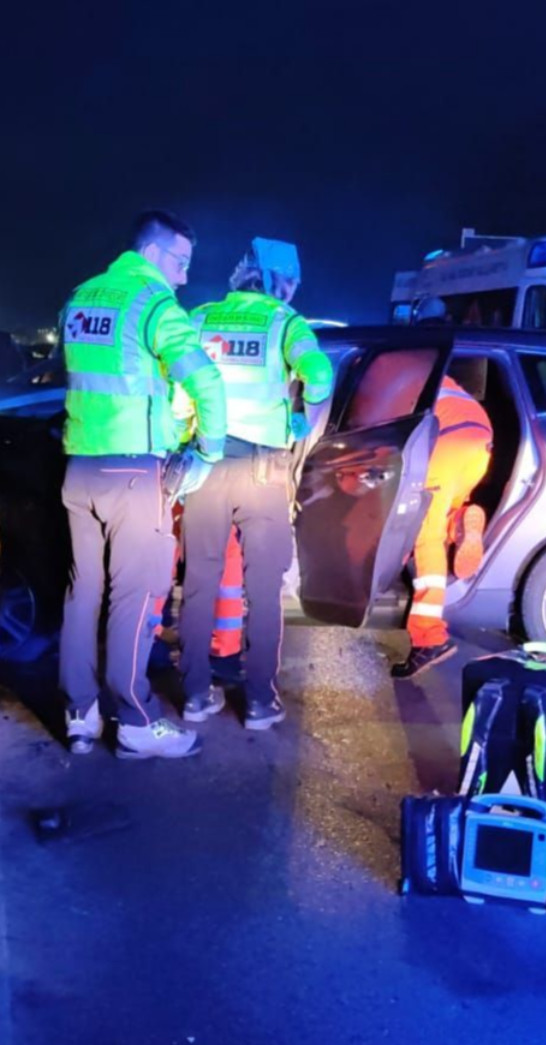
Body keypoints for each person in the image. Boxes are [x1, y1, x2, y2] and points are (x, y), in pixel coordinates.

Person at [57, 210, 226, 759]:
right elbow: (204, 379)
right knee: (136, 595)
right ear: (153, 254)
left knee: (82, 594)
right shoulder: (153, 304)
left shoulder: (81, 296)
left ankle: (79, 714)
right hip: (133, 473)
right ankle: (134, 720)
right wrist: (207, 450)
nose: (182, 277)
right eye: (180, 262)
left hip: (80, 469)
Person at [177, 239, 334, 730]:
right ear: (277, 281)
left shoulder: (199, 317)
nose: (291, 291)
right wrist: (301, 418)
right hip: (262, 470)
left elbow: (177, 389)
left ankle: (195, 697)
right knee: (264, 592)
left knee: (200, 584)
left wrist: (189, 435)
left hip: (207, 463)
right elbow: (321, 374)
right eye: (290, 283)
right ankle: (260, 703)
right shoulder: (286, 323)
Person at [392, 363, 493, 679]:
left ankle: (429, 637)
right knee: (446, 506)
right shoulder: (440, 379)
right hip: (480, 436)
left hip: (446, 441)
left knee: (426, 535)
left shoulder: (399, 377)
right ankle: (460, 521)